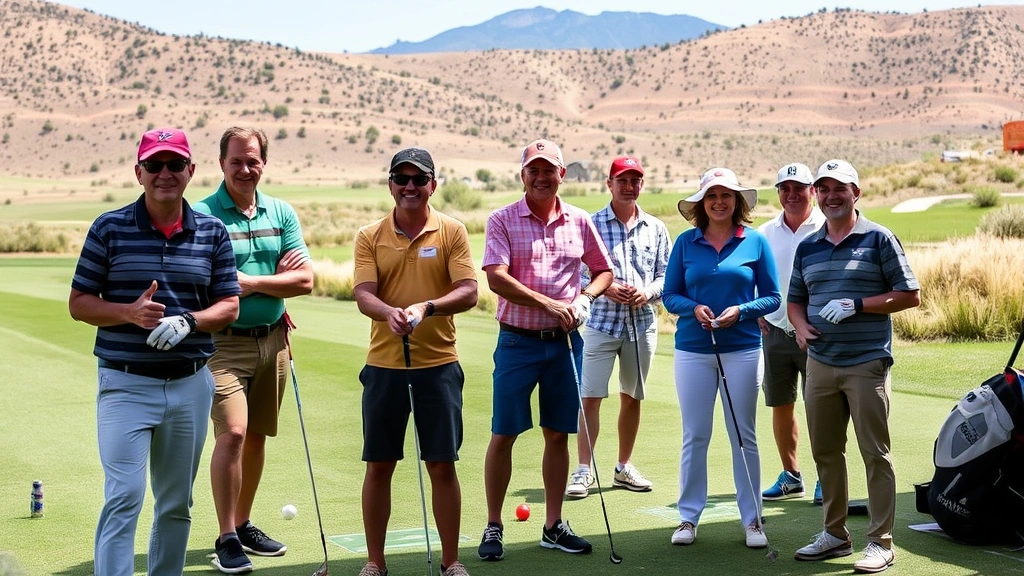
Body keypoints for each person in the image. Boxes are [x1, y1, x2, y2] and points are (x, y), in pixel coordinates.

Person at [69, 127, 240, 576]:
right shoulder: (110, 228)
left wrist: (190, 321)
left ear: (191, 171)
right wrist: (128, 313)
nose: (165, 174)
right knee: (124, 494)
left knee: (175, 504)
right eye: (155, 165)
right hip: (125, 384)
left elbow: (229, 304)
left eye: (175, 164)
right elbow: (79, 303)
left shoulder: (212, 231)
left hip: (190, 385)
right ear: (138, 172)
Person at [478, 139, 613, 561]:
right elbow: (496, 278)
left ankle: (553, 525)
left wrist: (586, 298)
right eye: (533, 170)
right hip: (518, 341)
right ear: (523, 175)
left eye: (548, 169)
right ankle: (494, 525)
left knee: (558, 434)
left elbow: (604, 270)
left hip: (566, 344)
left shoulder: (579, 220)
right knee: (504, 434)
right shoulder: (502, 219)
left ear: (562, 175)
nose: (541, 176)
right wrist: (550, 304)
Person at [789, 160, 920, 573]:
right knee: (826, 452)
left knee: (874, 453)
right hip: (821, 364)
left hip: (866, 363)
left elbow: (909, 294)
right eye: (823, 189)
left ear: (856, 193)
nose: (831, 196)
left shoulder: (879, 238)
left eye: (839, 189)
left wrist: (858, 304)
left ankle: (881, 542)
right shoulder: (808, 246)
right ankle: (834, 534)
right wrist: (799, 327)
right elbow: (794, 298)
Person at [353, 148, 478, 576]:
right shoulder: (370, 234)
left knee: (442, 463)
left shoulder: (452, 231)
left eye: (418, 179)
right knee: (380, 464)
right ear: (390, 184)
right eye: (401, 178)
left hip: (438, 365)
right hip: (385, 364)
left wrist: (426, 308)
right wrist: (388, 312)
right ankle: (375, 562)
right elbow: (364, 292)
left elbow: (468, 291)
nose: (410, 186)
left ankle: (450, 561)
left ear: (432, 185)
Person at [195, 127, 314, 573]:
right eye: (236, 162)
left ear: (264, 162)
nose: (245, 169)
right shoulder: (202, 214)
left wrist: (249, 281)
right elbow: (203, 284)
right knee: (234, 434)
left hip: (273, 341)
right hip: (220, 346)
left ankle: (243, 523)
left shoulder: (280, 212)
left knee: (259, 434)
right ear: (221, 164)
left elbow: (304, 281)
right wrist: (265, 279)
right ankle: (226, 535)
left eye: (253, 161)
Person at [662, 167, 780, 549]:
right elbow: (670, 295)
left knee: (743, 435)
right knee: (695, 434)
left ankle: (754, 521)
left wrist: (741, 311)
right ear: (701, 203)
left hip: (743, 349)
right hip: (693, 350)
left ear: (737, 201)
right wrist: (694, 308)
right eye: (711, 196)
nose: (719, 202)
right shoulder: (685, 243)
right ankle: (688, 518)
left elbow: (773, 297)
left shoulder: (756, 242)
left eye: (726, 196)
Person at [566, 156, 670, 499]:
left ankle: (624, 466)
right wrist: (606, 287)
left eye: (635, 180)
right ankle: (583, 469)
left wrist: (648, 292)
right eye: (621, 180)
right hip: (600, 323)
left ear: (641, 184)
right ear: (608, 184)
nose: (629, 186)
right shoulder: (590, 223)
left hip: (641, 325)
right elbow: (578, 273)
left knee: (632, 397)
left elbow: (665, 275)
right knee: (590, 397)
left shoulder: (655, 228)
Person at [757, 163, 827, 504]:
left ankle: (826, 477)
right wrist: (756, 310)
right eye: (785, 188)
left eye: (799, 188)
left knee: (821, 408)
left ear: (811, 191)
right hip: (773, 331)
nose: (791, 194)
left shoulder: (826, 226)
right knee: (780, 405)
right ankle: (791, 475)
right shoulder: (766, 232)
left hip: (816, 333)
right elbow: (752, 276)